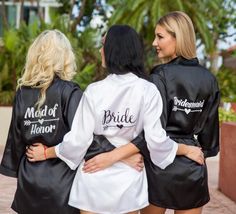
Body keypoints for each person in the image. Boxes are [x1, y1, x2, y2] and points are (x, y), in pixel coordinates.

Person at [26, 25, 204, 214]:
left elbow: (78, 141)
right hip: (129, 182)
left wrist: (46, 153)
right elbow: (156, 141)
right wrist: (186, 149)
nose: (100, 50)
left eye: (104, 45)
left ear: (113, 50)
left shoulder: (94, 91)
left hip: (93, 177)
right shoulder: (147, 90)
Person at [0, 29, 133, 214]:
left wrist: (13, 169)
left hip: (30, 179)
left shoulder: (22, 93)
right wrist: (121, 155)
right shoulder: (70, 92)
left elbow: (15, 140)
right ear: (64, 57)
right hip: (63, 184)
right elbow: (87, 137)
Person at [133, 11, 220, 214]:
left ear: (177, 38)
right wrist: (199, 153)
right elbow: (210, 135)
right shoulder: (209, 79)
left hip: (159, 165)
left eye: (160, 36)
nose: (154, 42)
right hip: (192, 164)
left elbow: (152, 130)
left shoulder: (159, 76)